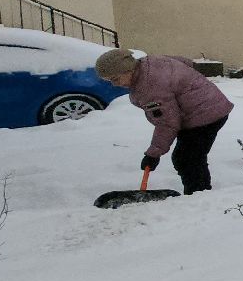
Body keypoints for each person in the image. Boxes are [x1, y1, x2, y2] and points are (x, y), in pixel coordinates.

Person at [94, 49, 234, 194]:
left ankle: (199, 195)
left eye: (115, 79)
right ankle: (198, 191)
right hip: (208, 103)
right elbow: (185, 62)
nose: (114, 84)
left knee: (187, 158)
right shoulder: (148, 63)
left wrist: (153, 154)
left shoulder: (149, 87)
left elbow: (167, 123)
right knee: (189, 155)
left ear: (128, 69)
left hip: (205, 114)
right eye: (109, 80)